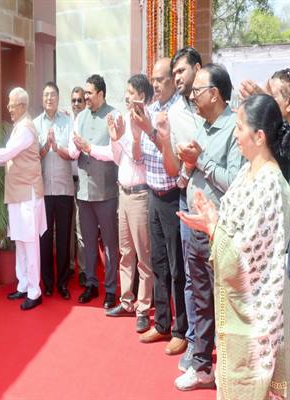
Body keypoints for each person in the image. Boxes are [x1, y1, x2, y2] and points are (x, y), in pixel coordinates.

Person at [178, 94, 290, 399]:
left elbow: (247, 255)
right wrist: (211, 218)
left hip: (259, 309)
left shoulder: (270, 183)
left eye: (240, 128)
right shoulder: (246, 171)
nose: (235, 134)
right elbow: (232, 225)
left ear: (259, 136)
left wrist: (213, 227)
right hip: (237, 302)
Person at [170, 64, 244, 390]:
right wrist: (187, 166)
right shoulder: (204, 126)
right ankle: (201, 366)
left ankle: (229, 371)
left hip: (222, 232)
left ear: (214, 94)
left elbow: (235, 181)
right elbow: (191, 170)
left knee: (225, 304)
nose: (192, 96)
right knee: (200, 300)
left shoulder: (234, 129)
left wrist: (200, 160)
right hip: (197, 228)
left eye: (198, 90)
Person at [85, 74, 154, 334]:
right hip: (123, 193)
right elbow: (118, 159)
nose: (125, 96)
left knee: (143, 256)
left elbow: (138, 158)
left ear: (142, 96)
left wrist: (129, 137)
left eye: (130, 92)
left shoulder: (146, 122)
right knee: (125, 252)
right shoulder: (124, 119)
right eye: (125, 92)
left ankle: (143, 308)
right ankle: (126, 301)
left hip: (140, 195)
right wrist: (115, 138)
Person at [130, 59, 187, 357]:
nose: (155, 84)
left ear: (172, 81)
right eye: (153, 79)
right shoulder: (150, 109)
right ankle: (162, 322)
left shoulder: (179, 112)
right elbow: (139, 157)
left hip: (173, 195)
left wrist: (149, 129)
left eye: (160, 79)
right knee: (159, 263)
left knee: (178, 267)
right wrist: (136, 131)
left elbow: (173, 155)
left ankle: (181, 330)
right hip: (152, 193)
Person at [0, 87, 46, 311]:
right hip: (18, 194)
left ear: (23, 106)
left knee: (30, 244)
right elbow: (7, 156)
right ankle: (24, 285)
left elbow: (6, 154)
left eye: (12, 104)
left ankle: (35, 291)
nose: (8, 108)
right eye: (8, 103)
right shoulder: (19, 127)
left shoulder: (25, 128)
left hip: (27, 194)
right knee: (20, 241)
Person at [166, 47, 204, 372]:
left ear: (198, 68)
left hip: (219, 201)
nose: (177, 77)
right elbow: (175, 166)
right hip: (187, 199)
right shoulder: (173, 113)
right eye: (174, 73)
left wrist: (197, 161)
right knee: (192, 276)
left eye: (182, 70)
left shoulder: (217, 104)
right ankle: (195, 342)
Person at [68, 75, 119, 308]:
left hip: (106, 192)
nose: (85, 97)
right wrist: (74, 147)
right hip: (84, 192)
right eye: (85, 93)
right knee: (87, 241)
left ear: (101, 94)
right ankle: (91, 283)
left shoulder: (114, 116)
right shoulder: (80, 117)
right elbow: (73, 152)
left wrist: (89, 147)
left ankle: (110, 289)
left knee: (109, 243)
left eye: (89, 93)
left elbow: (114, 153)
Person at [34, 82, 74, 299]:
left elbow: (73, 154)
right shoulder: (35, 124)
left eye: (52, 95)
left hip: (64, 189)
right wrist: (45, 148)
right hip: (43, 191)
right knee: (45, 238)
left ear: (58, 99)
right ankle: (47, 283)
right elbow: (33, 157)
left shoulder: (68, 122)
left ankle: (63, 283)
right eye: (46, 95)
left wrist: (57, 148)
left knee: (64, 239)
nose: (49, 98)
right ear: (42, 99)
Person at [69, 86, 88, 287]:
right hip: (67, 181)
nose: (76, 104)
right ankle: (69, 266)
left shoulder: (88, 122)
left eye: (79, 100)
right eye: (73, 100)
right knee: (68, 228)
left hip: (83, 182)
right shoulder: (67, 122)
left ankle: (83, 269)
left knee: (81, 228)